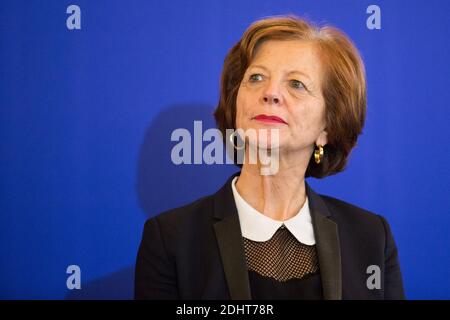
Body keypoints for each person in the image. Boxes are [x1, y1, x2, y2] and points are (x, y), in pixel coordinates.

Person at [134, 15, 405, 300]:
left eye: (297, 84)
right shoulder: (172, 239)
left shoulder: (371, 238)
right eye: (256, 77)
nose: (271, 92)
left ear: (327, 127)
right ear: (236, 102)